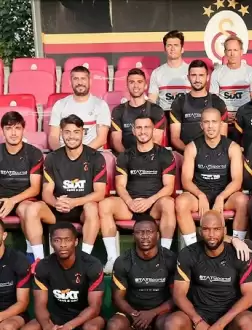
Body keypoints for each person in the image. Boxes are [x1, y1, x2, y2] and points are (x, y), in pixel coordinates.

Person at [99, 114, 177, 272]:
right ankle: (112, 258)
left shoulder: (165, 154)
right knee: (105, 204)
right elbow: (120, 186)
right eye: (139, 128)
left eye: (147, 127)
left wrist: (149, 201)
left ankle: (164, 255)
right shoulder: (125, 156)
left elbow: (169, 187)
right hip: (130, 206)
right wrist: (130, 202)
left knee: (169, 203)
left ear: (153, 130)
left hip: (154, 205)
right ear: (133, 131)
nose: (143, 131)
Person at [23, 115, 106, 261]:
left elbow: (100, 193)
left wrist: (75, 202)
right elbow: (46, 192)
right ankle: (39, 261)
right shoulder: (52, 158)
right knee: (32, 209)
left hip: (81, 209)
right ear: (61, 133)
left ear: (83, 133)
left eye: (76, 132)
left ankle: (85, 259)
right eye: (67, 132)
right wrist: (56, 203)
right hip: (57, 209)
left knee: (92, 208)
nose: (71, 136)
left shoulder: (95, 157)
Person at [175, 107, 249, 247]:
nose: (210, 126)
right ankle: (192, 248)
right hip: (199, 196)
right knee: (181, 202)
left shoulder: (232, 147)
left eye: (214, 122)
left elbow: (237, 181)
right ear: (201, 125)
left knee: (243, 201)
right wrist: (200, 195)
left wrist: (221, 197)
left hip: (225, 196)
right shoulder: (192, 147)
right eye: (206, 122)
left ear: (221, 124)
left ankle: (237, 244)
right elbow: (186, 180)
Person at [0, 112, 43, 260]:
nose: (13, 133)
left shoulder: (33, 153)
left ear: (24, 129)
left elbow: (35, 188)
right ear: (2, 130)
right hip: (2, 200)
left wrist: (12, 201)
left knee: (25, 209)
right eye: (8, 128)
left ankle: (36, 258)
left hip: (25, 199)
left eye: (17, 128)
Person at [169, 60, 228, 151]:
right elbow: (175, 138)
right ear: (188, 77)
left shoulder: (218, 103)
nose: (197, 80)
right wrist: (190, 153)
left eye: (201, 75)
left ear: (207, 77)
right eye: (193, 75)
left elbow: (223, 136)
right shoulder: (179, 103)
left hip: (212, 155)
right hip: (186, 154)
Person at [48, 66, 111, 150]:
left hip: (91, 153)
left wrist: (81, 154)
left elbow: (101, 139)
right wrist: (60, 153)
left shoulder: (100, 105)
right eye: (76, 79)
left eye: (83, 79)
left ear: (90, 81)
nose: (79, 82)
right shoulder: (59, 105)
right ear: (70, 82)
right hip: (64, 154)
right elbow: (53, 136)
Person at [110, 68, 166, 152]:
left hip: (150, 157)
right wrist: (127, 157)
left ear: (145, 85)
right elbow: (116, 141)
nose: (136, 86)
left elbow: (156, 141)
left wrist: (143, 158)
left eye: (139, 82)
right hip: (126, 156)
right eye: (131, 82)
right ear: (127, 85)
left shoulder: (156, 110)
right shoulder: (118, 111)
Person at [210, 35, 252, 121]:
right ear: (225, 52)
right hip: (223, 117)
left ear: (241, 52)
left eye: (235, 50)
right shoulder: (216, 73)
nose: (232, 54)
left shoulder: (251, 72)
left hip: (245, 116)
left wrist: (244, 114)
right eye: (229, 50)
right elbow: (214, 100)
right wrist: (224, 114)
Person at [148, 30, 191, 112]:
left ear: (182, 49)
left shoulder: (191, 71)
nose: (172, 49)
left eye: (176, 45)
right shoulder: (157, 73)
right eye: (169, 45)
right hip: (164, 114)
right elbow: (152, 100)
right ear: (165, 49)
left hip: (187, 115)